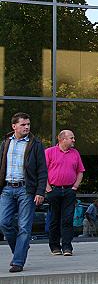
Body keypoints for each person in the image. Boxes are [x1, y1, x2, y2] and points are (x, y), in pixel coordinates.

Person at [0, 112, 48, 273]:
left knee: (24, 227)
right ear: (14, 126)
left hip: (26, 190)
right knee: (4, 223)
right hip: (7, 188)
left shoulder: (36, 144)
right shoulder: (6, 143)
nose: (27, 127)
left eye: (28, 124)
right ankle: (21, 247)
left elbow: (42, 171)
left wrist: (40, 191)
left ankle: (18, 261)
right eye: (23, 124)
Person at [45, 129, 85, 256]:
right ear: (62, 139)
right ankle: (55, 246)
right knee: (54, 219)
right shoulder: (49, 152)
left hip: (69, 190)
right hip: (54, 190)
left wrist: (75, 187)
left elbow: (80, 171)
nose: (74, 140)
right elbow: (42, 172)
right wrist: (48, 189)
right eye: (71, 138)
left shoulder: (75, 153)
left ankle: (67, 247)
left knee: (68, 219)